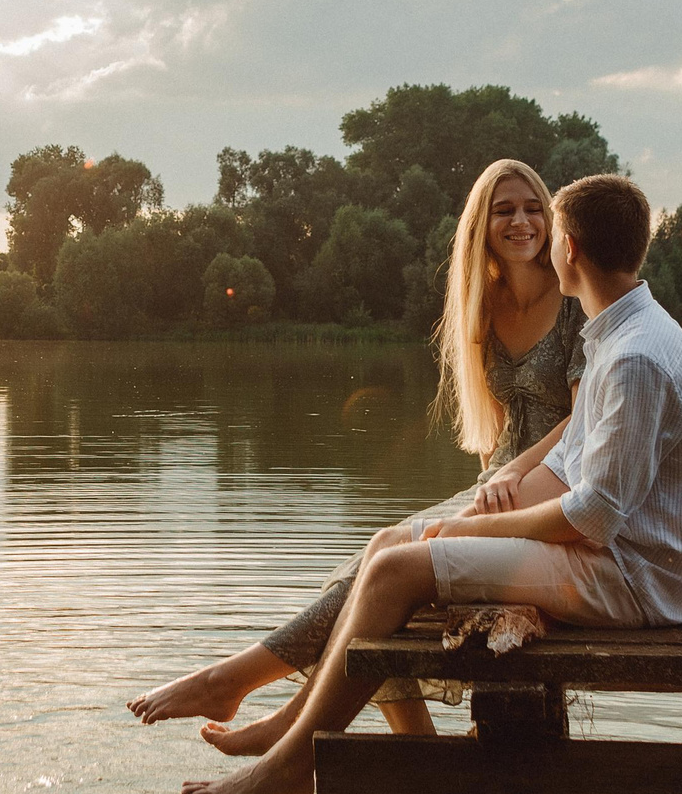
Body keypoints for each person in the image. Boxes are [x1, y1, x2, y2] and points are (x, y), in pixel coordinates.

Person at [182, 173, 682, 794]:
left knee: (395, 570)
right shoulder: (620, 335)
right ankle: (299, 744)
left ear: (569, 249)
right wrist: (478, 509)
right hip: (619, 557)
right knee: (391, 545)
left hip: (639, 578)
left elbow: (595, 515)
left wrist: (474, 532)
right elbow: (575, 462)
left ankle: (293, 767)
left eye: (548, 228)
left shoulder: (636, 357)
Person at [127, 159, 584, 750]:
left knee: (386, 567)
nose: (521, 221)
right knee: (376, 555)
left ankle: (251, 691)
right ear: (482, 225)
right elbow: (500, 425)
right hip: (498, 485)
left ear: (548, 217)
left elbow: (584, 420)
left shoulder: (573, 297)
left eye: (531, 208)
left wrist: (514, 477)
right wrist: (488, 488)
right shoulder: (484, 304)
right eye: (504, 210)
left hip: (551, 486)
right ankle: (407, 742)